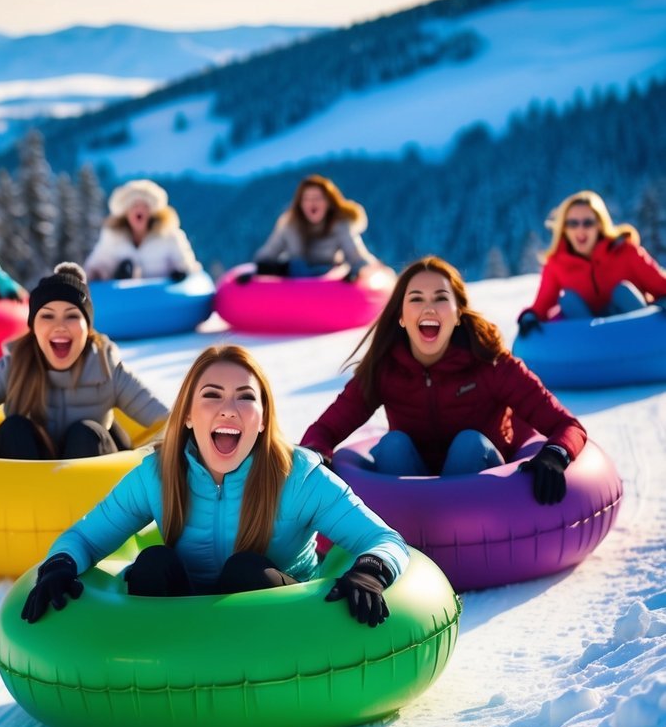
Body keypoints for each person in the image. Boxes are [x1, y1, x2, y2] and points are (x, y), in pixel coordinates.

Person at [20, 343, 410, 629]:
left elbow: (384, 540)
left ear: (261, 419)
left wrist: (370, 571)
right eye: (212, 396)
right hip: (179, 618)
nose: (228, 409)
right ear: (188, 415)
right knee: (153, 564)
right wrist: (61, 564)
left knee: (246, 571)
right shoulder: (159, 474)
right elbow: (85, 537)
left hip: (281, 623)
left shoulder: (298, 476)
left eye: (245, 397)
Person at [301, 256, 586, 505]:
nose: (429, 308)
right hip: (411, 489)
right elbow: (325, 429)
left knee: (469, 444)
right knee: (392, 446)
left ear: (458, 313)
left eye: (440, 298)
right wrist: (318, 455)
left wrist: (555, 454)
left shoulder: (492, 364)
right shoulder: (385, 370)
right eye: (416, 298)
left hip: (484, 490)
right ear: (401, 316)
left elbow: (567, 425)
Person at [0, 262, 169, 475]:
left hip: (97, 484)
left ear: (88, 327)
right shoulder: (13, 368)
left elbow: (169, 421)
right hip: (33, 484)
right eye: (48, 316)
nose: (60, 326)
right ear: (33, 327)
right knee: (12, 430)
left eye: (72, 316)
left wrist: (157, 458)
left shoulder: (107, 368)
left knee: (85, 434)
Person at [517, 189, 666, 336]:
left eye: (588, 223)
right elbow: (540, 307)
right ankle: (594, 347)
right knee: (568, 299)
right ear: (564, 229)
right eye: (573, 223)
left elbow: (661, 285)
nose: (580, 229)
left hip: (638, 334)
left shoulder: (626, 252)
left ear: (599, 225)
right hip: (590, 343)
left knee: (623, 292)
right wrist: (529, 318)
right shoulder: (556, 265)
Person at [240, 174, 379, 283]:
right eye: (307, 198)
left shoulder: (339, 226)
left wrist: (356, 274)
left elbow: (357, 257)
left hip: (327, 278)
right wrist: (257, 271)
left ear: (328, 203)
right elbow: (268, 254)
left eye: (318, 198)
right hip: (297, 277)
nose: (312, 203)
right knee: (295, 266)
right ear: (300, 204)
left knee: (322, 270)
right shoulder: (290, 225)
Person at [84, 179, 200, 282]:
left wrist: (181, 273)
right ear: (125, 212)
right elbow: (98, 264)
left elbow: (186, 263)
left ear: (152, 212)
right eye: (134, 206)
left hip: (162, 301)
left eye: (145, 206)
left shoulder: (169, 235)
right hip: (126, 302)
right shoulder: (113, 237)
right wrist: (96, 274)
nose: (139, 210)